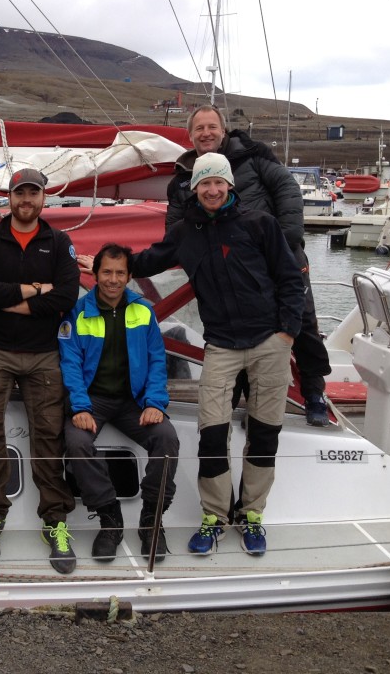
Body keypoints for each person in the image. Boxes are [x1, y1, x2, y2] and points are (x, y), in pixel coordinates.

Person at [132, 153, 305, 557]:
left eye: (218, 183)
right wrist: (110, 262)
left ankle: (252, 515)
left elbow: (289, 279)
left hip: (268, 343)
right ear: (194, 188)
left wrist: (287, 334)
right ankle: (214, 518)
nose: (211, 190)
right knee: (212, 433)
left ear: (229, 186)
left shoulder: (260, 224)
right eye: (204, 183)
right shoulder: (184, 232)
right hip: (222, 345)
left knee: (265, 434)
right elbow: (148, 259)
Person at [167, 104, 332, 427]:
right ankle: (251, 404)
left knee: (303, 325)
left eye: (212, 126)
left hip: (280, 254)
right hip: (235, 265)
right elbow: (174, 228)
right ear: (190, 136)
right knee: (242, 330)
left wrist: (287, 239)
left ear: (223, 129)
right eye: (199, 128)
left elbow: (286, 190)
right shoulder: (184, 179)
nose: (206, 133)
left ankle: (314, 393)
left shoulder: (254, 155)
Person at [0, 168, 81, 574]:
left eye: (33, 193)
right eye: (20, 193)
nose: (26, 200)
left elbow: (67, 295)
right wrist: (34, 290)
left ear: (43, 199)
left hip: (44, 353)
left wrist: (10, 300)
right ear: (9, 198)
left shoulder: (59, 242)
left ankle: (56, 523)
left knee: (49, 436)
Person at [59, 243, 179, 563]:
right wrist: (80, 407)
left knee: (166, 438)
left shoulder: (143, 310)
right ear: (95, 274)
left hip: (133, 400)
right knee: (76, 442)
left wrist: (154, 402)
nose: (113, 279)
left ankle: (152, 519)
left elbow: (156, 361)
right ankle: (110, 518)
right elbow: (69, 364)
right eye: (107, 272)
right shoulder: (77, 313)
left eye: (120, 273)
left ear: (129, 276)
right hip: (93, 399)